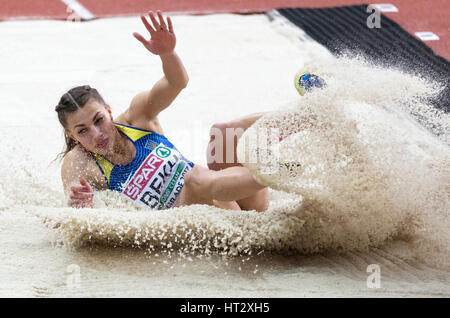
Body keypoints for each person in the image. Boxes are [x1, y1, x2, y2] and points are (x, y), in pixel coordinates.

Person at [55, 10, 269, 212]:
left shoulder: (137, 117)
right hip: (200, 224)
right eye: (82, 131)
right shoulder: (79, 163)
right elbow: (76, 212)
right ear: (71, 135)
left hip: (238, 203)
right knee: (194, 180)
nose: (97, 134)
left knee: (224, 131)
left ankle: (296, 119)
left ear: (109, 111)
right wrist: (81, 203)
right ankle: (276, 173)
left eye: (99, 120)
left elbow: (176, 82)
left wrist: (168, 54)